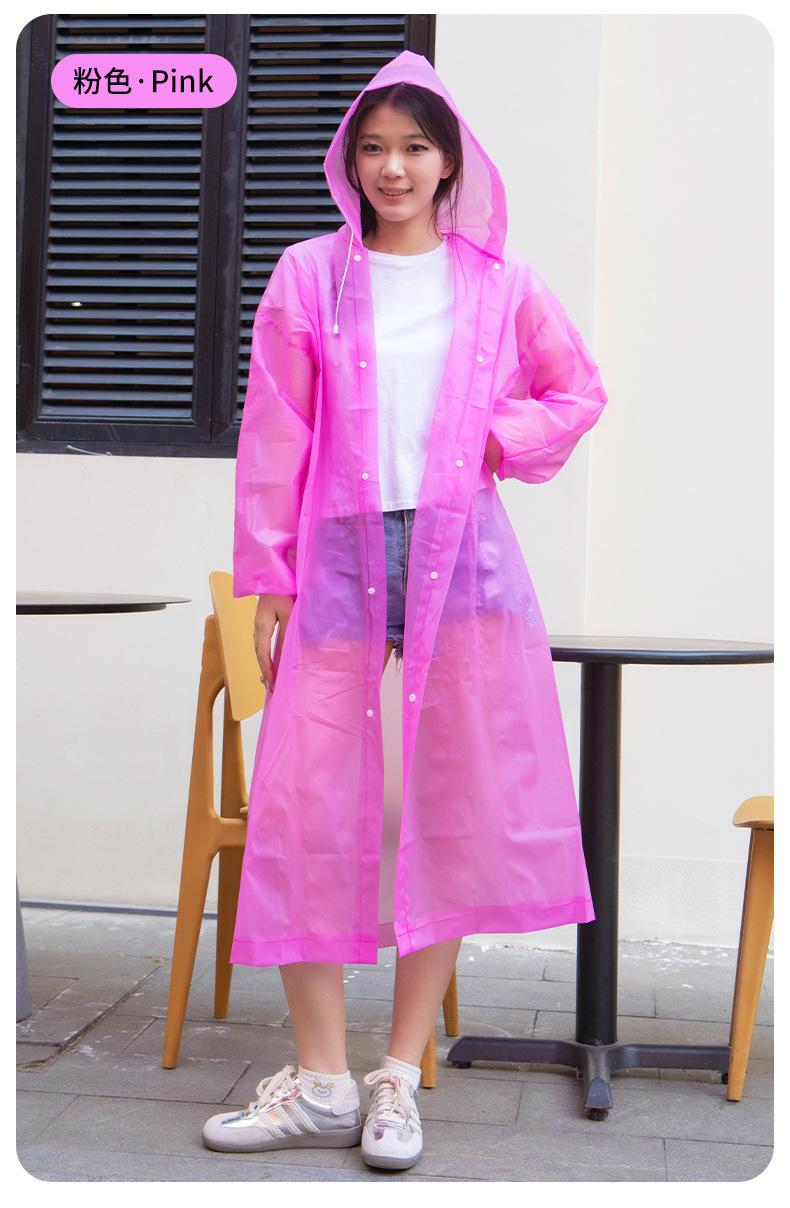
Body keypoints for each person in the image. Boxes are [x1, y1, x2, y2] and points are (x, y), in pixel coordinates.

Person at [202, 50, 607, 1173]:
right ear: (350, 160)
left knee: (453, 801)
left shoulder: (501, 282)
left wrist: (491, 440)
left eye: (414, 147)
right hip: (336, 557)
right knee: (301, 803)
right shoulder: (309, 274)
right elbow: (273, 432)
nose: (392, 166)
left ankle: (395, 1072)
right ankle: (320, 1080)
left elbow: (576, 391)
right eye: (373, 146)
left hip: (462, 558)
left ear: (449, 162)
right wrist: (270, 578)